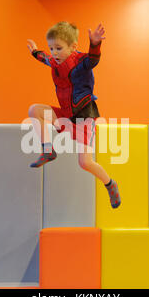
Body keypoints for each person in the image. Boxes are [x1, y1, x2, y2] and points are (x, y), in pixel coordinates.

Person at [26, 21, 121, 209]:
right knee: (34, 110)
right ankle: (48, 150)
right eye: (52, 48)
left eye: (58, 48)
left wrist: (95, 44)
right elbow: (44, 58)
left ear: (73, 47)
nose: (54, 53)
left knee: (85, 162)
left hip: (83, 116)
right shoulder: (54, 60)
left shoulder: (80, 63)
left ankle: (110, 184)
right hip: (65, 114)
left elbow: (93, 59)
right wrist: (35, 51)